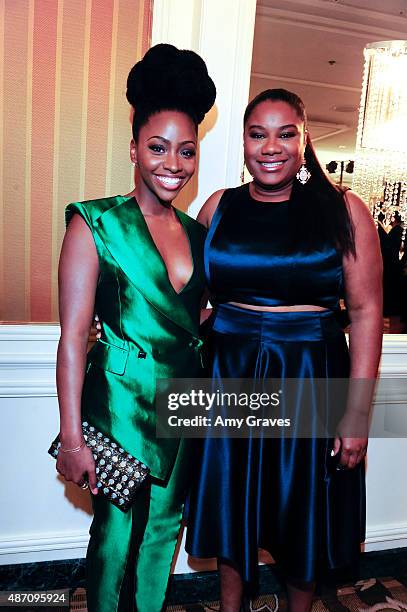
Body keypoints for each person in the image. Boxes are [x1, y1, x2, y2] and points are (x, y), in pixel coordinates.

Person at [185, 88, 383, 612]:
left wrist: (357, 414)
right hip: (231, 374)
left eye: (285, 132)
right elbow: (188, 298)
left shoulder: (342, 209)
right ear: (244, 143)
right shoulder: (218, 208)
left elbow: (364, 315)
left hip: (310, 374)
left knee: (303, 509)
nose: (270, 146)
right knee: (232, 500)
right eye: (257, 134)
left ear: (304, 138)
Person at [55, 44, 215, 612]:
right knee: (115, 543)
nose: (173, 163)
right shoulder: (94, 222)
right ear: (133, 148)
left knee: (161, 539)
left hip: (184, 407)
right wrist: (71, 439)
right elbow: (73, 335)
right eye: (157, 147)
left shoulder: (200, 237)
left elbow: (190, 322)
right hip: (119, 408)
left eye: (187, 151)